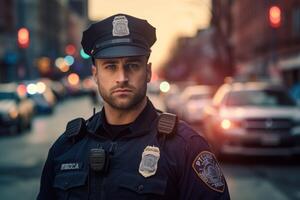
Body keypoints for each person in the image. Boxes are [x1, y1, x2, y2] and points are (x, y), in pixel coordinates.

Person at [37, 13, 230, 200]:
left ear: (147, 72)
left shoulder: (185, 147)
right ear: (95, 74)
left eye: (132, 65)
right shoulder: (66, 147)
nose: (122, 78)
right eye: (110, 66)